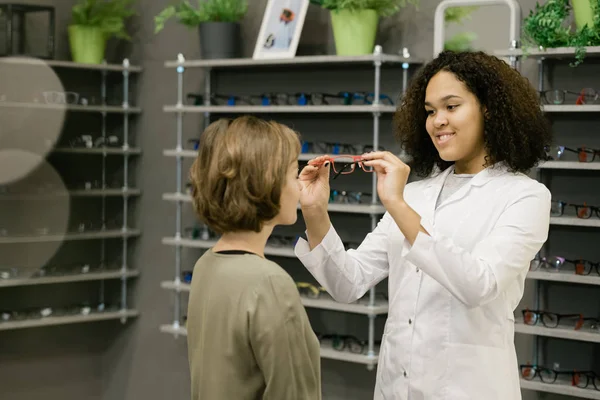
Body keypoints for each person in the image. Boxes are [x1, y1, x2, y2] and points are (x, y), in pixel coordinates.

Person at [295, 51, 553, 400]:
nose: (437, 121)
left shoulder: (525, 196)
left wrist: (398, 206)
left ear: (489, 108)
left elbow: (479, 284)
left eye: (451, 106)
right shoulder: (416, 194)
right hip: (396, 389)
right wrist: (314, 212)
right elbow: (348, 283)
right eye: (430, 111)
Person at [186, 116, 321, 400]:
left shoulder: (205, 266)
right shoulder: (269, 283)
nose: (298, 187)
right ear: (265, 182)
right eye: (293, 173)